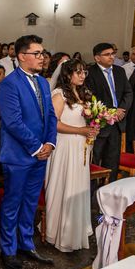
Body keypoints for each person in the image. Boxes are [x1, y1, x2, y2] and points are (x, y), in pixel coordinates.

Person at [0, 35, 57, 269]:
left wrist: (50, 143)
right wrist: (36, 147)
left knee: (31, 201)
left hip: (41, 153)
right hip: (19, 155)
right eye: (37, 53)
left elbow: (51, 116)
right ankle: (9, 250)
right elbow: (13, 122)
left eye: (43, 53)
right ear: (22, 56)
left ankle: (26, 243)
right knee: (13, 202)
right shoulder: (10, 84)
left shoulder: (43, 82)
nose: (42, 58)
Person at [44, 59, 97, 252]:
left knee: (78, 186)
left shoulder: (83, 93)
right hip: (64, 146)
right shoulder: (59, 95)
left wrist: (93, 128)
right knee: (64, 184)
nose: (83, 76)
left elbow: (88, 119)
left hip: (80, 147)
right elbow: (54, 124)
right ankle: (59, 232)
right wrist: (81, 130)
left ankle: (76, 228)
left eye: (84, 72)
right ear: (67, 75)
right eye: (78, 72)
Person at [86, 42, 132, 181]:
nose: (112, 57)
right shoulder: (90, 73)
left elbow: (128, 92)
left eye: (113, 54)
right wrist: (110, 112)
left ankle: (110, 190)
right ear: (97, 58)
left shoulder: (119, 71)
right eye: (107, 54)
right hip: (100, 123)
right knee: (95, 159)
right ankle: (92, 192)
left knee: (113, 159)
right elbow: (90, 97)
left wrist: (121, 110)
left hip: (117, 123)